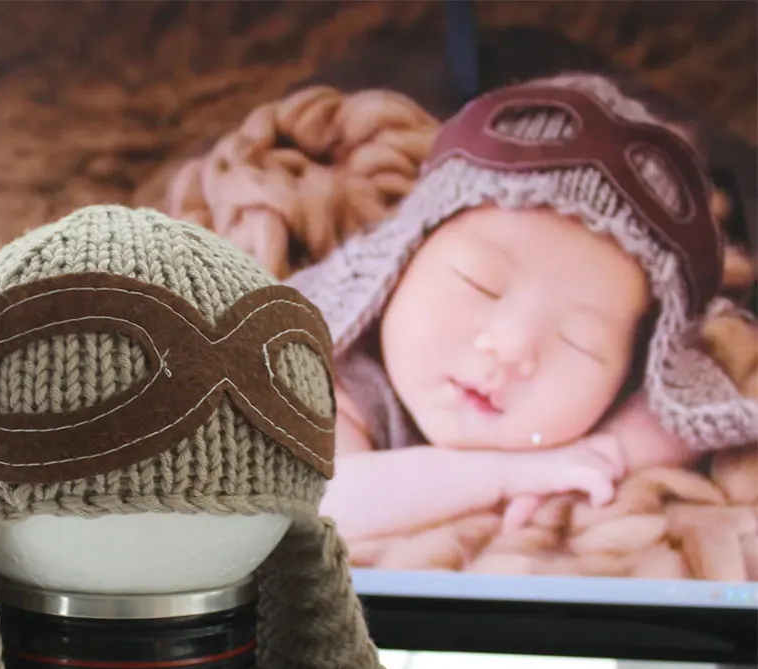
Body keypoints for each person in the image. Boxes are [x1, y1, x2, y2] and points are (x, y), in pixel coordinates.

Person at [282, 74, 757, 544]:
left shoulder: (632, 391)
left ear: (632, 371)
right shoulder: (329, 368)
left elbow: (680, 419)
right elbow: (321, 502)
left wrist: (600, 451)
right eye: (480, 283)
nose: (511, 348)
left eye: (580, 343)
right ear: (402, 258)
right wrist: (512, 473)